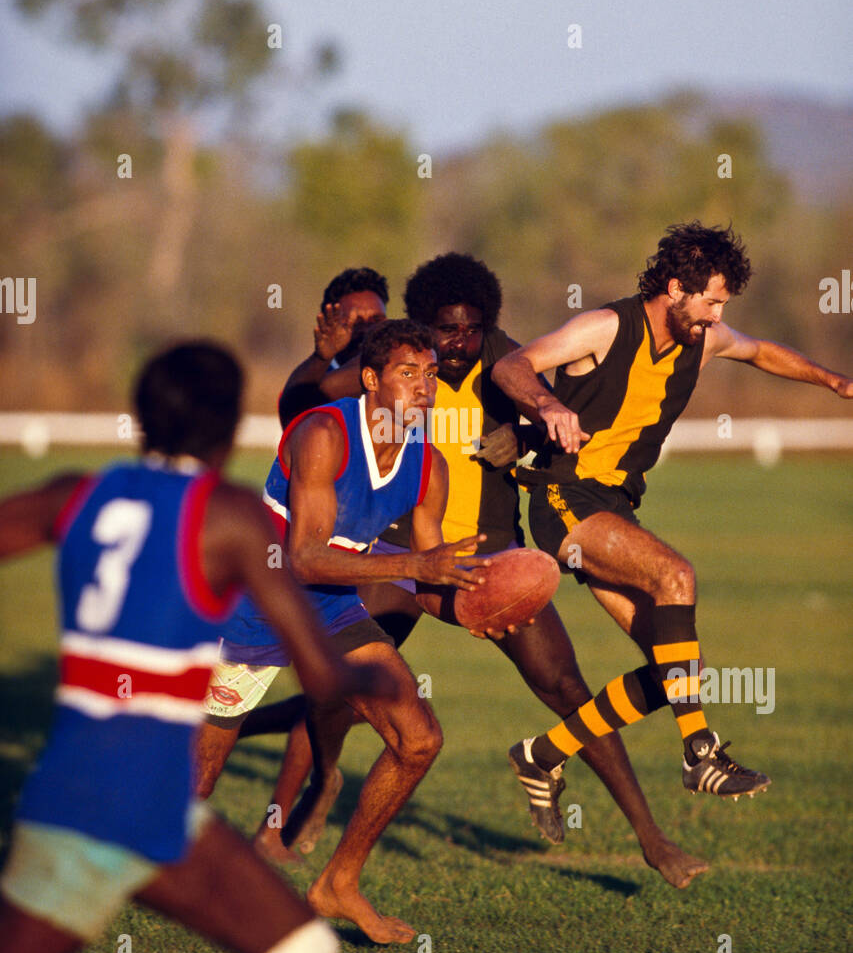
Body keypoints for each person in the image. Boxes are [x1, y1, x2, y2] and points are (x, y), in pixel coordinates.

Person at [250, 253, 709, 889]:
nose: (456, 344)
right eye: (443, 330)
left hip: (489, 557)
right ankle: (299, 801)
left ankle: (653, 839)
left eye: (470, 330)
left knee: (566, 684)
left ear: (487, 323)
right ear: (422, 324)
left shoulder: (509, 365)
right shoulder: (400, 367)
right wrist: (320, 358)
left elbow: (567, 425)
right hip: (394, 549)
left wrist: (526, 437)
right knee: (339, 686)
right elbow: (304, 410)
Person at [0, 342, 388, 953]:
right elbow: (320, 672)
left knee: (298, 948)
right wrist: (384, 685)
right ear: (228, 431)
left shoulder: (71, 495)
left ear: (140, 417)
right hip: (125, 807)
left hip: (96, 800)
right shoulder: (230, 516)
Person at [492, 221, 852, 805]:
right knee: (677, 575)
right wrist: (547, 403)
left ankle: (542, 754)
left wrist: (832, 380)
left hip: (614, 506)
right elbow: (512, 367)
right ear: (675, 286)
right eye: (710, 301)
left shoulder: (702, 339)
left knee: (677, 666)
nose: (716, 316)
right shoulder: (604, 327)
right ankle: (700, 754)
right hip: (564, 497)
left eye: (722, 305)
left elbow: (759, 352)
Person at [198, 319, 490, 944]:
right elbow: (304, 555)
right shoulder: (326, 433)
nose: (424, 387)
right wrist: (416, 565)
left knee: (418, 740)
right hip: (256, 599)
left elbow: (431, 575)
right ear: (370, 380)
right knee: (192, 789)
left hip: (331, 608)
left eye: (431, 374)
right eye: (407, 373)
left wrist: (475, 609)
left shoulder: (427, 467)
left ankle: (338, 883)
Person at [279, 266, 389, 427]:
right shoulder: (307, 381)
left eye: (376, 319)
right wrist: (321, 357)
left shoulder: (399, 375)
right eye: (355, 322)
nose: (366, 329)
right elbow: (293, 418)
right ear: (328, 321)